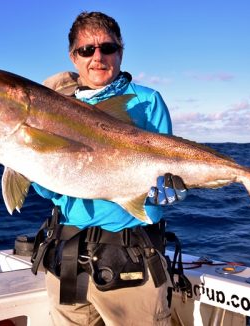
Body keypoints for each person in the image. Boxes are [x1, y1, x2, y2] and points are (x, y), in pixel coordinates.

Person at [30, 11, 186, 326]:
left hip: (132, 265)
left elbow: (166, 168)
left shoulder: (146, 101)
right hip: (68, 264)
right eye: (87, 50)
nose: (97, 57)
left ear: (120, 52)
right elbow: (48, 188)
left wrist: (166, 191)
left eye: (108, 48)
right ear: (73, 57)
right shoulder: (52, 106)